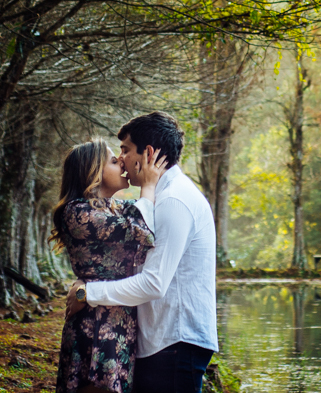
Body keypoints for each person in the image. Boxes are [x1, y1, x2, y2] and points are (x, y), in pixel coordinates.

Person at [66, 112, 217, 393]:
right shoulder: (160, 197)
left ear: (147, 153)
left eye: (124, 150)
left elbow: (154, 282)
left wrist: (88, 293)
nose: (121, 159)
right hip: (162, 342)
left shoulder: (174, 200)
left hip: (174, 342)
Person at [50, 137, 166, 393]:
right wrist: (147, 186)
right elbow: (143, 231)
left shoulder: (116, 208)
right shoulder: (77, 212)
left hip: (118, 321)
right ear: (94, 172)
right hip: (95, 324)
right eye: (114, 161)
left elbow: (146, 217)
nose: (122, 162)